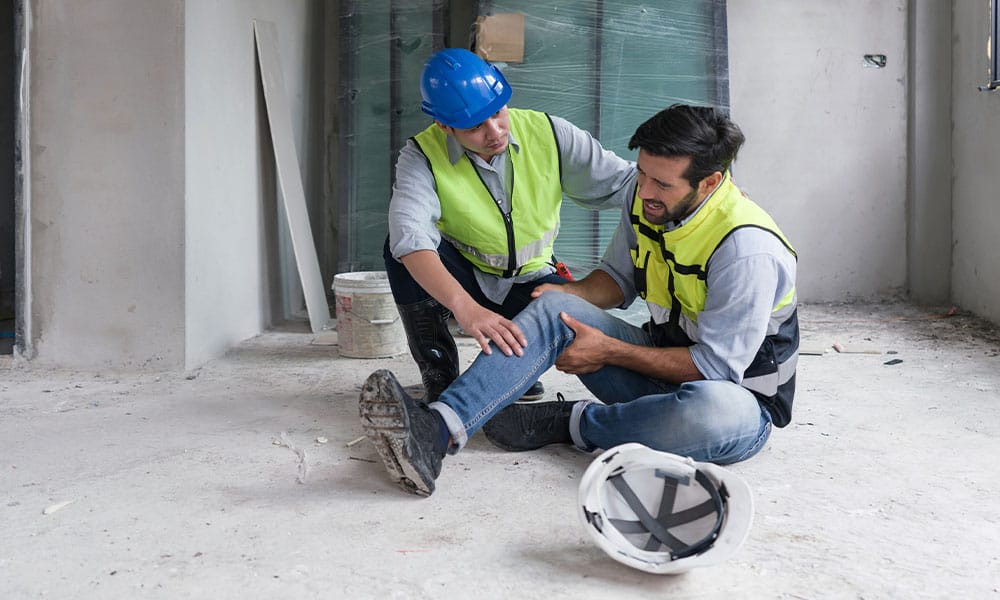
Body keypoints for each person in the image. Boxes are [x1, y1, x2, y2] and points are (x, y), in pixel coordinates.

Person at [361, 104, 798, 497]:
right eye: (641, 174)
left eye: (661, 184)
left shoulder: (746, 249)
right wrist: (562, 300)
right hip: (659, 361)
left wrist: (609, 351)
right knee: (556, 308)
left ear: (709, 183)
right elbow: (615, 281)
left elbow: (717, 368)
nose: (643, 191)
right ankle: (435, 431)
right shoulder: (648, 203)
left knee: (716, 414)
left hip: (736, 400)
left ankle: (568, 423)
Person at [385, 48, 635, 403]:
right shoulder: (421, 155)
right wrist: (464, 306)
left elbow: (627, 184)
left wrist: (700, 192)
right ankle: (439, 375)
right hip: (466, 276)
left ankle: (515, 370)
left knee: (573, 329)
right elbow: (409, 237)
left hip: (533, 281)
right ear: (444, 125)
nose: (495, 132)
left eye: (498, 113)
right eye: (474, 126)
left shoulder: (549, 133)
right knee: (399, 251)